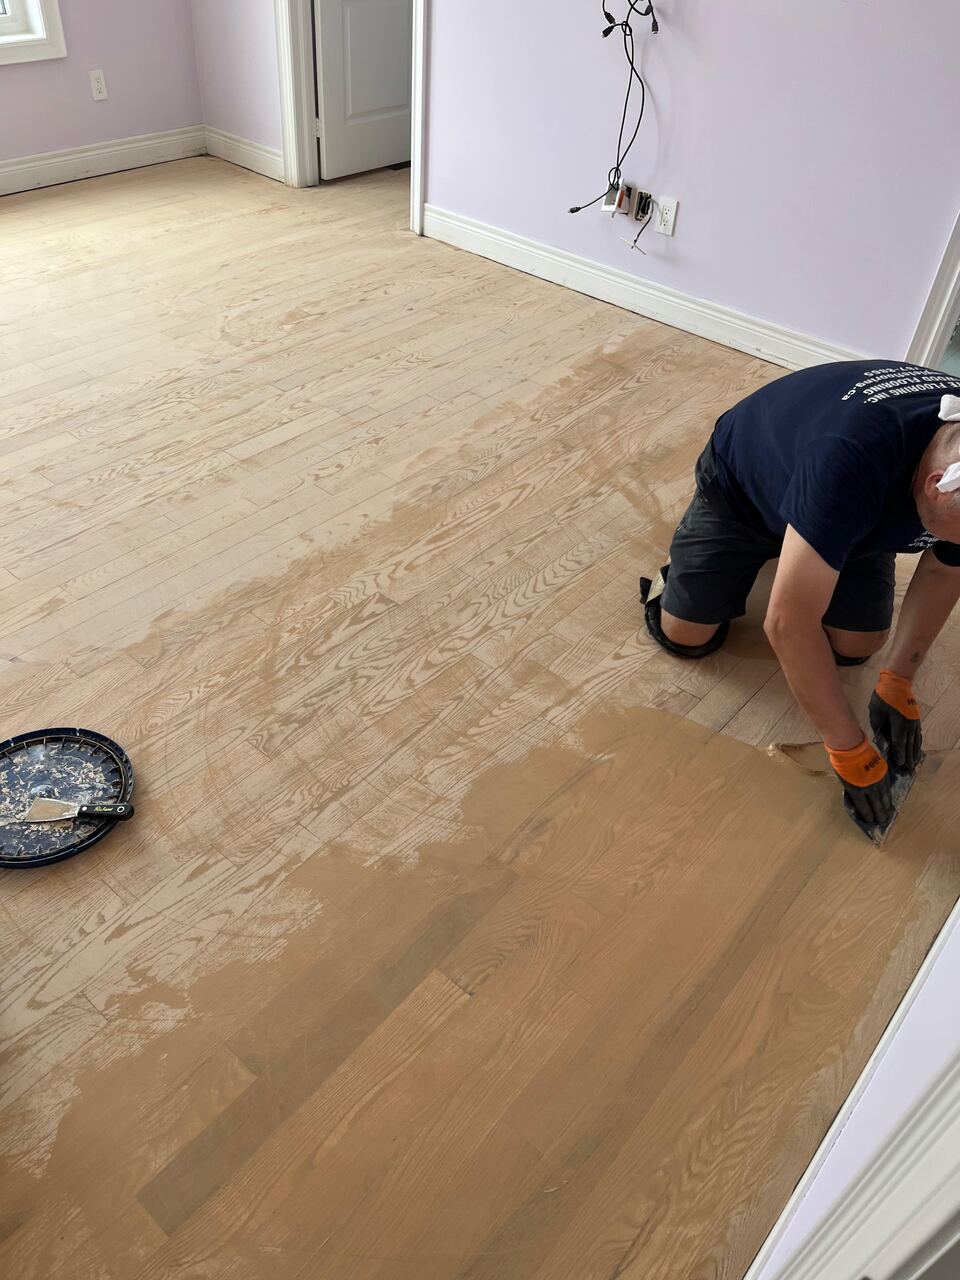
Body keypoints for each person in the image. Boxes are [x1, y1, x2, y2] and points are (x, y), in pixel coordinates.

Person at [641, 360, 960, 829]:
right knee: (687, 635)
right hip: (745, 492)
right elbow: (787, 625)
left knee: (857, 648)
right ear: (936, 487)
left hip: (851, 511)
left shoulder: (948, 472)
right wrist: (848, 748)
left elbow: (941, 573)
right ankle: (683, 572)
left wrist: (898, 680)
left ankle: (819, 548)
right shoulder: (849, 459)